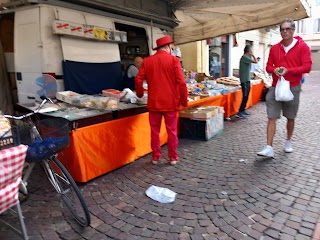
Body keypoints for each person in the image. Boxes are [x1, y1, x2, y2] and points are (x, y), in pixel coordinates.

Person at [257, 18, 312, 158]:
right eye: (282, 29)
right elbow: (268, 66)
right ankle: (269, 147)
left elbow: (307, 67)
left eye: (288, 29)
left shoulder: (302, 47)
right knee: (271, 117)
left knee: (290, 117)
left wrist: (289, 70)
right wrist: (275, 70)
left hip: (293, 87)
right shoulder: (275, 48)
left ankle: (288, 140)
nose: (285, 32)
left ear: (293, 30)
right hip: (276, 86)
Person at [135, 35, 188, 165]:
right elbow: (181, 83)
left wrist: (140, 94)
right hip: (171, 102)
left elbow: (138, 79)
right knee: (172, 131)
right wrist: (184, 100)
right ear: (168, 47)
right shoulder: (174, 60)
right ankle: (173, 157)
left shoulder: (147, 61)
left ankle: (155, 156)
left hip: (154, 102)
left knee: (154, 131)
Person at [236, 45, 258, 118]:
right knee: (245, 95)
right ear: (248, 51)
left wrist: (251, 55)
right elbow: (255, 61)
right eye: (251, 51)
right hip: (244, 79)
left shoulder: (247, 58)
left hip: (247, 79)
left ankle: (243, 110)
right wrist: (253, 55)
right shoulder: (244, 58)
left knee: (247, 95)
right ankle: (240, 111)